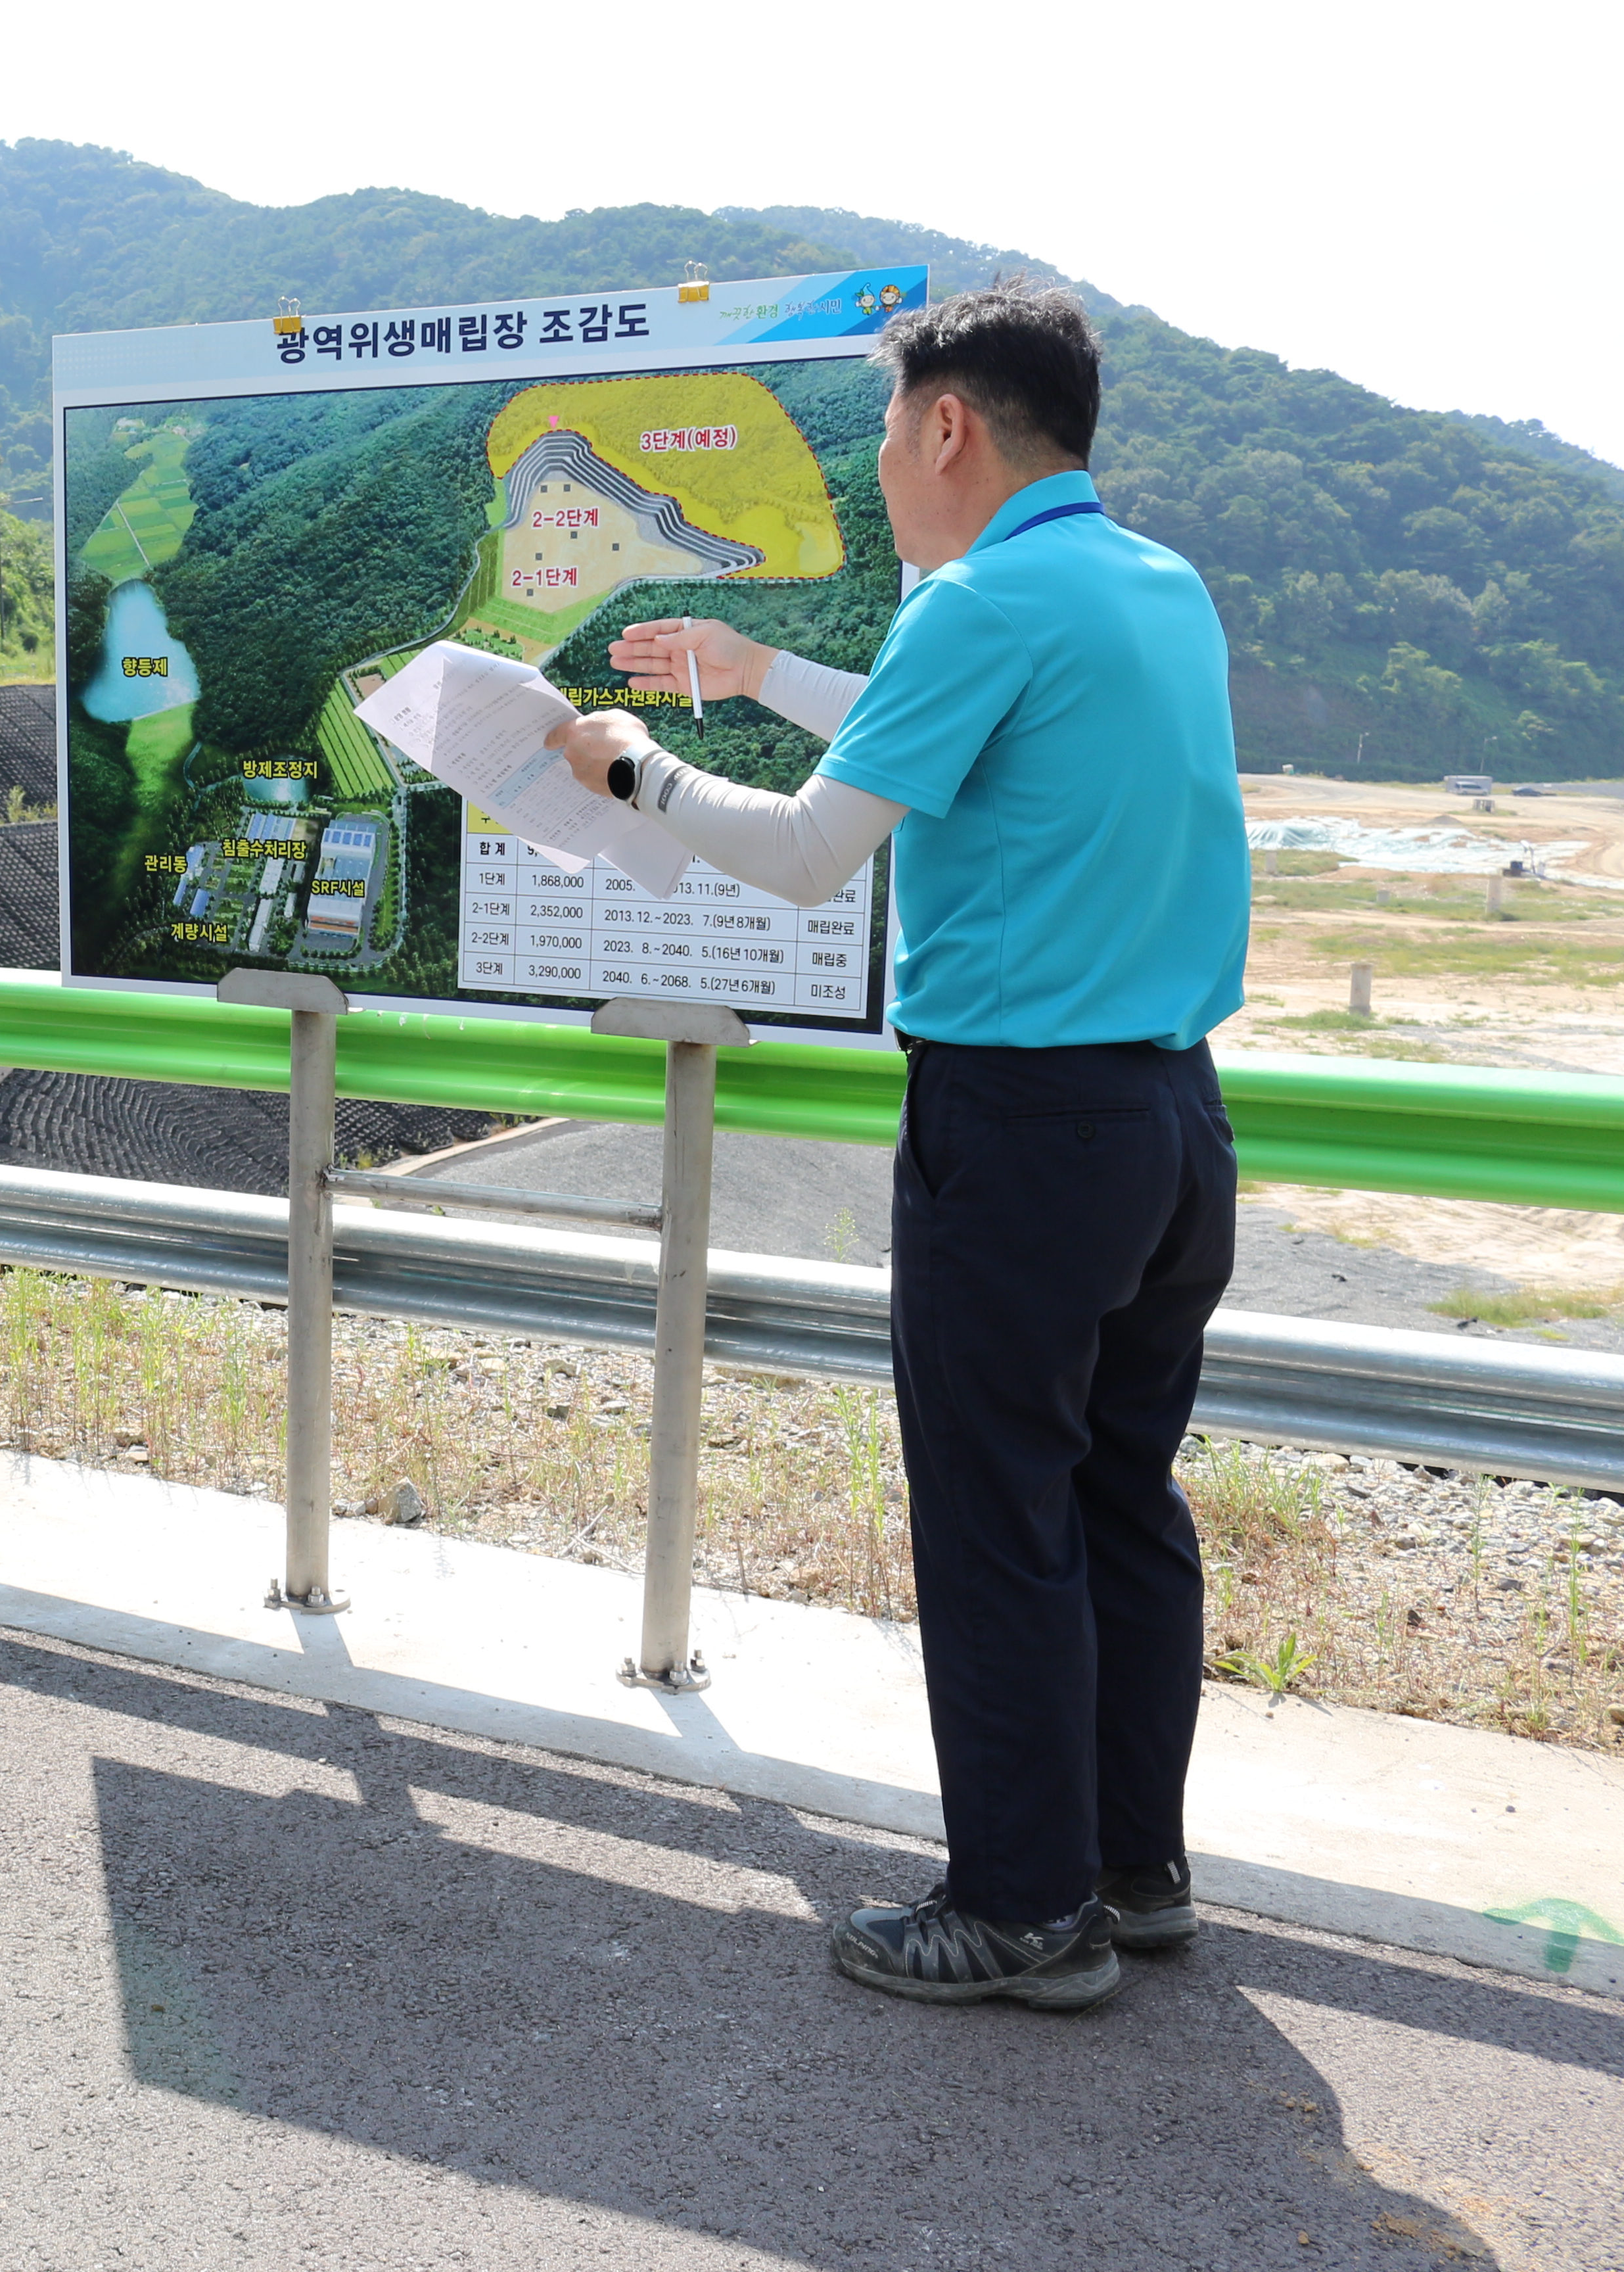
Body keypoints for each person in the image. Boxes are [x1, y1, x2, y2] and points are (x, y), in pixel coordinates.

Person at [549, 283, 1247, 2012]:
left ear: (948, 425)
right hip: (1172, 1117)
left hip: (1023, 1129)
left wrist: (633, 767)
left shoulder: (981, 598)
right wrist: (754, 669)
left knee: (998, 1511)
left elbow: (806, 856)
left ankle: (1019, 1909)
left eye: (883, 429)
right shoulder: (1154, 591)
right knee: (1120, 1497)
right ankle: (1128, 1869)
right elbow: (956, 734)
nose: (878, 467)